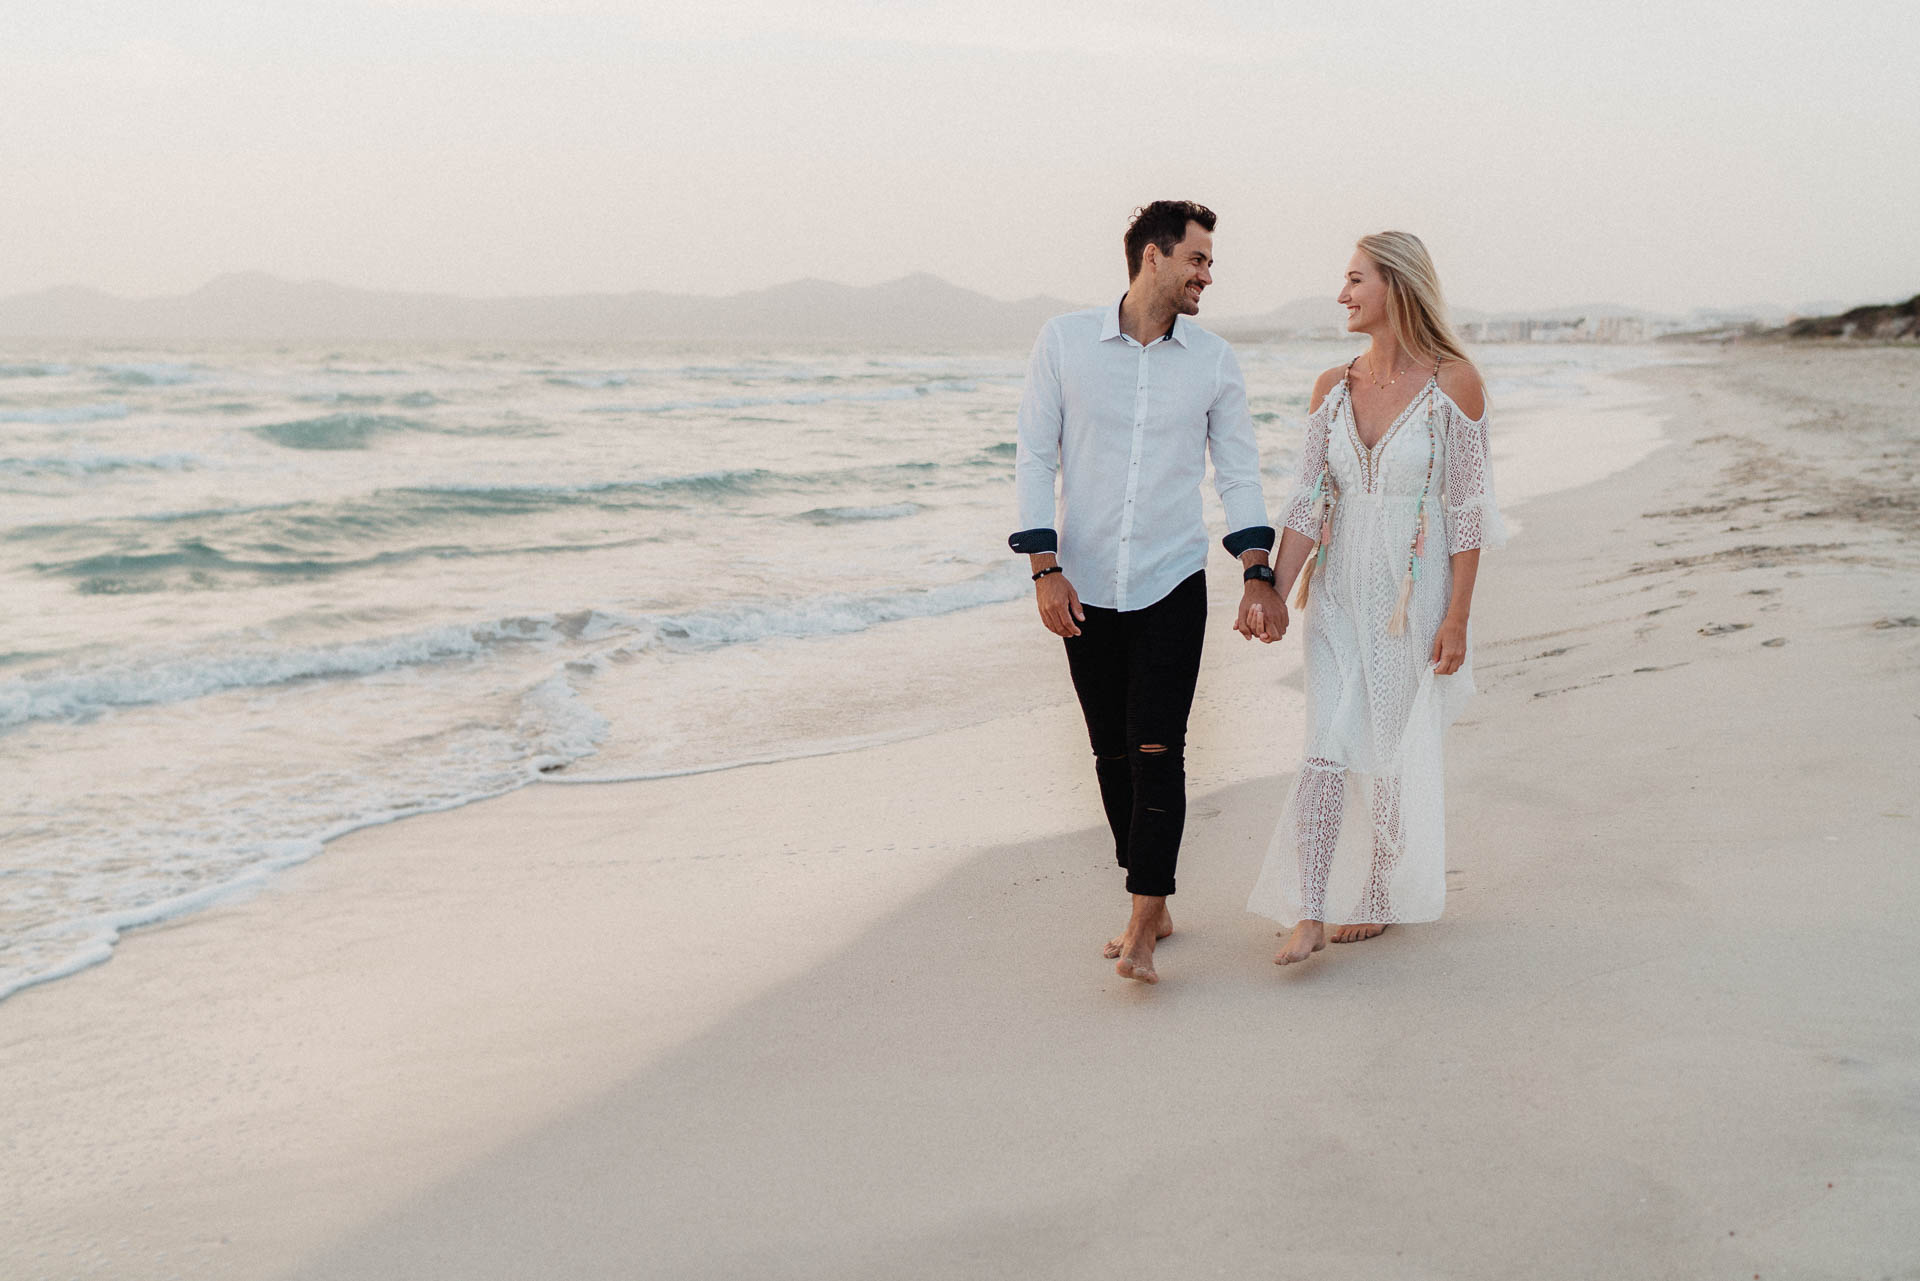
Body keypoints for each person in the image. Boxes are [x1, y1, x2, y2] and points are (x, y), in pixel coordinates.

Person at [1011, 200, 1284, 986]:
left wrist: (1256, 570)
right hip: (1084, 584)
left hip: (1172, 579)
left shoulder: (1213, 361)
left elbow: (1236, 470)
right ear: (1153, 258)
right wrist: (1043, 566)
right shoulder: (1064, 342)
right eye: (1197, 259)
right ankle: (1153, 892)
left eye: (1209, 263)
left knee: (1160, 746)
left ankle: (1141, 916)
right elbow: (1035, 456)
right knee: (1111, 752)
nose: (1207, 276)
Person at [1246, 231, 1505, 964]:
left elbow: (1466, 510)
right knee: (1324, 743)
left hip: (1409, 598)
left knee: (1390, 748)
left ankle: (1385, 890)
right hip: (1333, 596)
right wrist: (1269, 588)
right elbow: (1306, 501)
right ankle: (1311, 906)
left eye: (1355, 278)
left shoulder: (1454, 383)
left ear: (1396, 284)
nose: (1342, 294)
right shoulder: (1332, 386)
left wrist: (1457, 617)